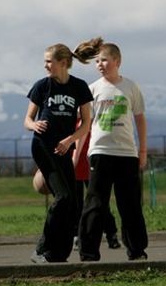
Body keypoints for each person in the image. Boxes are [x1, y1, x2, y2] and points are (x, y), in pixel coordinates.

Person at [24, 40, 102, 263]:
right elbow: (27, 119)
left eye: (49, 62)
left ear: (64, 63)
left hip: (64, 148)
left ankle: (58, 255)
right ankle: (41, 249)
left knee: (74, 204)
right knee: (64, 196)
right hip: (43, 146)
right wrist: (33, 125)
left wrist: (70, 140)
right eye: (45, 62)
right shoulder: (42, 86)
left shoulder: (79, 87)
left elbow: (87, 123)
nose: (46, 66)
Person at [77, 42, 149, 261]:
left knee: (130, 204)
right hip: (100, 151)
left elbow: (140, 119)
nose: (100, 64)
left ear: (117, 61)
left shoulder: (130, 87)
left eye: (104, 60)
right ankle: (89, 252)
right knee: (96, 203)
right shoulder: (92, 89)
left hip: (127, 153)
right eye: (97, 61)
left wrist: (143, 150)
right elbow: (84, 124)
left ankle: (136, 250)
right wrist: (77, 152)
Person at [73, 130, 120, 250]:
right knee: (75, 204)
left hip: (91, 162)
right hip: (74, 164)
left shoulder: (90, 116)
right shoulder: (68, 118)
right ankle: (76, 235)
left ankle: (111, 234)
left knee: (99, 202)